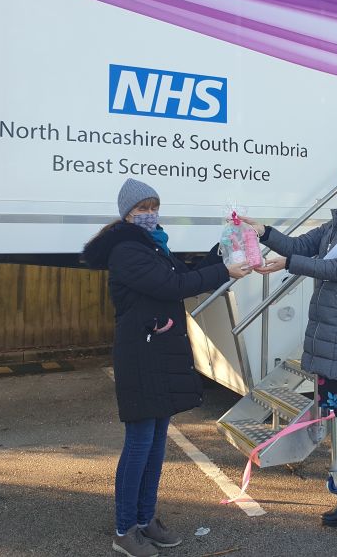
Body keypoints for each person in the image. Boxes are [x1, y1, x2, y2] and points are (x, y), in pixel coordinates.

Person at [83, 178, 249, 557]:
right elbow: (172, 285)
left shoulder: (153, 245)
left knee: (156, 443)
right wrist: (226, 272)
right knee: (140, 444)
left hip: (156, 354)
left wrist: (223, 247)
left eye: (153, 206)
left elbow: (186, 273)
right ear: (126, 213)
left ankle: (145, 519)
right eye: (141, 208)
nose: (149, 213)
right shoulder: (127, 249)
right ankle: (125, 531)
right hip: (141, 357)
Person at [242, 166, 337, 534]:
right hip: (330, 329)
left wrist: (290, 264)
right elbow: (299, 246)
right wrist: (263, 232)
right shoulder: (336, 224)